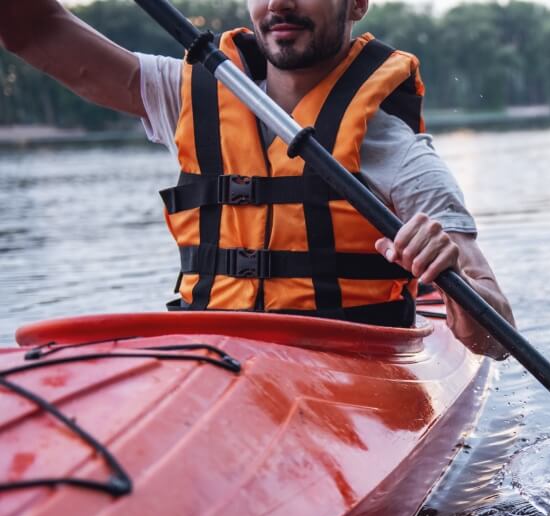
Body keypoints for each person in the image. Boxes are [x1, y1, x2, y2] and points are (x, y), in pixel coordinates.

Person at [0, 0, 513, 358]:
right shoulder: (189, 96)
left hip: (350, 370)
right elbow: (32, 28)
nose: (280, 2)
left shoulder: (399, 155)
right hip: (209, 355)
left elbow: (496, 334)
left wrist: (453, 280)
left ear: (356, 2)